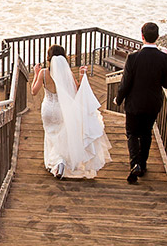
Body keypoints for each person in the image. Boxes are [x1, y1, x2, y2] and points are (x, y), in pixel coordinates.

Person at [31, 45, 112, 179]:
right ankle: (61, 161)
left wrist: (35, 74)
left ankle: (55, 162)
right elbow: (77, 90)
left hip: (47, 110)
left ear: (49, 58)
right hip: (61, 110)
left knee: (50, 134)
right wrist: (82, 75)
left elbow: (33, 91)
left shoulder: (44, 73)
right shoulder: (66, 73)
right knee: (62, 136)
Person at [113, 22, 167, 185]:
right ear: (158, 37)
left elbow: (125, 83)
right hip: (152, 103)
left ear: (142, 36)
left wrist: (118, 99)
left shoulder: (133, 57)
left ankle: (135, 164)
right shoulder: (165, 58)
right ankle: (143, 164)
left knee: (132, 133)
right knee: (146, 133)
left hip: (134, 103)